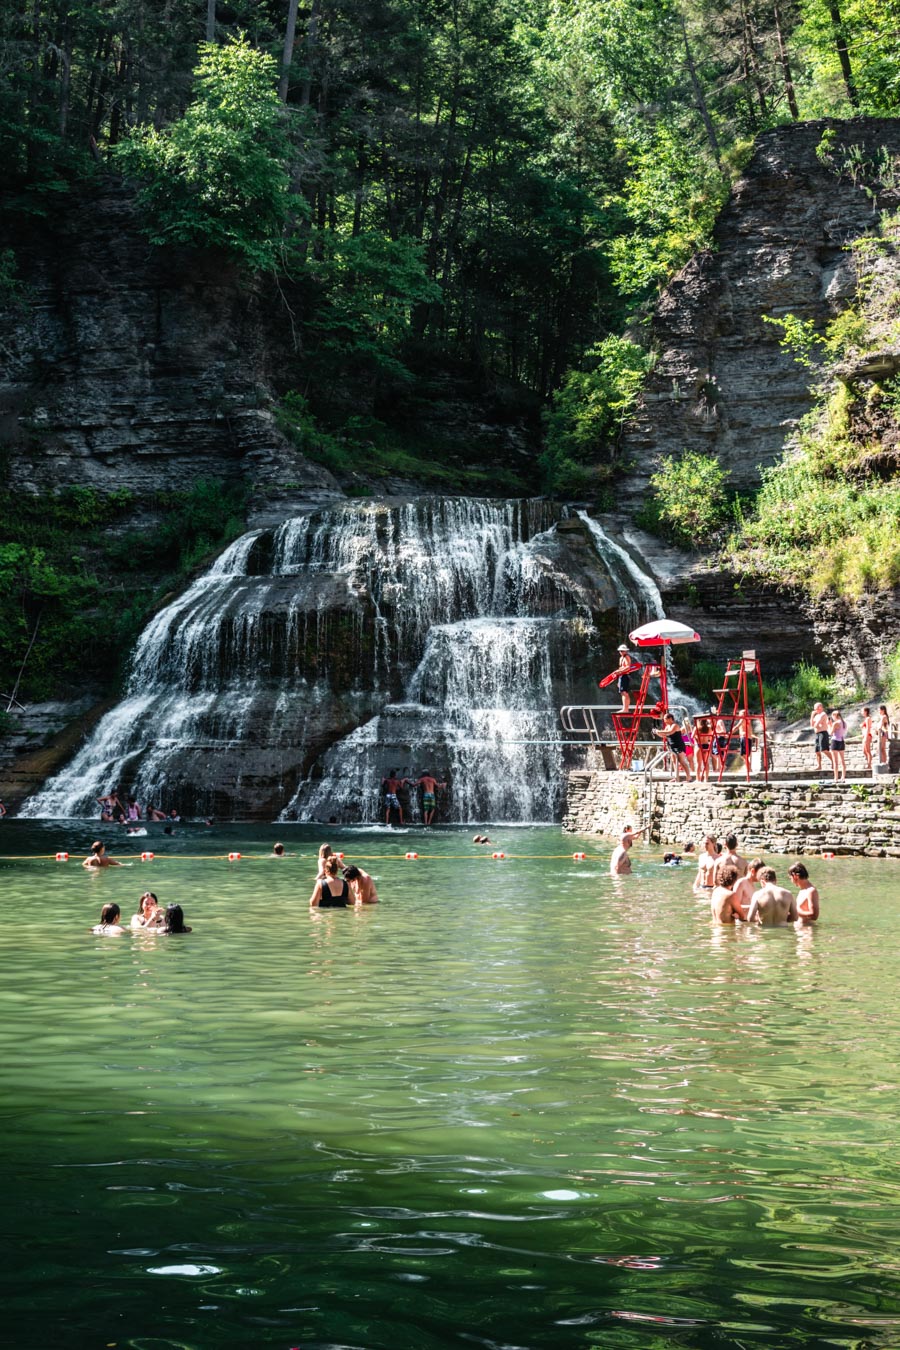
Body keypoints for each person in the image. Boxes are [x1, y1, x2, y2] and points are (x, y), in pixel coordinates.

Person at [652, 712, 693, 781]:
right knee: (674, 761)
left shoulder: (675, 725)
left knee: (682, 761)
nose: (664, 720)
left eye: (665, 719)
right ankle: (676, 777)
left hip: (679, 745)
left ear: (670, 719)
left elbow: (670, 732)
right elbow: (664, 735)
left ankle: (689, 777)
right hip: (672, 746)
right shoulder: (667, 727)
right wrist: (657, 733)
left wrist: (658, 731)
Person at [810, 702, 832, 773]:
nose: (815, 710)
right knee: (817, 751)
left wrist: (817, 725)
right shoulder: (816, 716)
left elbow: (816, 724)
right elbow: (812, 724)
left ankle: (834, 761)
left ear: (820, 707)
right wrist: (812, 716)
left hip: (823, 733)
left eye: (816, 708)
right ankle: (819, 766)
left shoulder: (823, 714)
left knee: (824, 749)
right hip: (817, 734)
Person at [615, 644, 635, 712]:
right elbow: (621, 668)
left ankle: (625, 709)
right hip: (621, 676)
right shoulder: (621, 658)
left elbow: (628, 667)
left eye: (622, 651)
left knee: (624, 693)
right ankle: (625, 708)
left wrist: (620, 671)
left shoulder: (627, 657)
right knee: (623, 692)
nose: (621, 652)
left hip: (625, 676)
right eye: (620, 651)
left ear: (625, 651)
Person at [829, 709, 847, 782]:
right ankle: (843, 777)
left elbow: (830, 733)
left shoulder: (835, 723)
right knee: (842, 760)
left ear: (835, 715)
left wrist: (829, 725)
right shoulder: (844, 722)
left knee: (835, 761)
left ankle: (836, 778)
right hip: (841, 740)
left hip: (835, 741)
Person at [861, 707, 874, 772]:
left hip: (867, 736)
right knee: (864, 751)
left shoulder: (868, 719)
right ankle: (868, 763)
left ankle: (869, 765)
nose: (862, 713)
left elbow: (868, 728)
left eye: (862, 711)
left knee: (868, 751)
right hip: (864, 736)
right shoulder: (865, 719)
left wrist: (866, 737)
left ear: (866, 711)